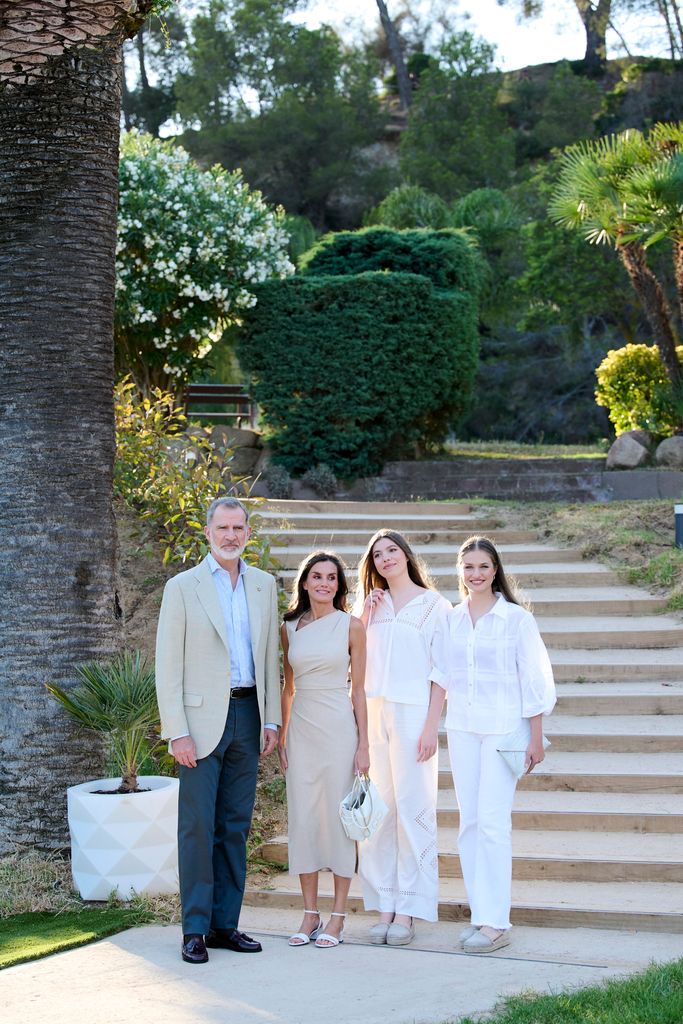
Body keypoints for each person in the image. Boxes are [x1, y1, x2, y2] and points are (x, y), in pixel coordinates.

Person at [155, 496, 281, 964]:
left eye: (238, 528)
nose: (231, 535)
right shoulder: (182, 587)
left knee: (234, 826)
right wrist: (177, 732)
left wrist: (271, 719)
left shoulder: (264, 585)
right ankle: (194, 929)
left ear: (249, 533)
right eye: (222, 528)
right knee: (196, 827)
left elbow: (269, 656)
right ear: (207, 532)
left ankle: (226, 925)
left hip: (249, 717)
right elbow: (168, 666)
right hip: (200, 721)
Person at [437, 535, 556, 954]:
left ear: (495, 570)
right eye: (468, 567)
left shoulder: (517, 620)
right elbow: (442, 675)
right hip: (463, 729)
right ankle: (480, 915)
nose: (475, 574)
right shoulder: (451, 618)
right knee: (469, 824)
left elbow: (534, 680)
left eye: (483, 566)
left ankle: (497, 923)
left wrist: (536, 738)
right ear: (461, 571)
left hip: (504, 730)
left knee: (492, 823)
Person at [355, 529, 450, 946]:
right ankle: (385, 904)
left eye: (392, 550)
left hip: (414, 715)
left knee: (413, 807)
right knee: (378, 812)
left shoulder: (435, 606)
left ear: (406, 555)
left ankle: (410, 908)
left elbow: (442, 672)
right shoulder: (370, 607)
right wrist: (363, 617)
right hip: (375, 714)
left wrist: (431, 727)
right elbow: (350, 661)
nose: (386, 558)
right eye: (378, 554)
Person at [279, 551, 369, 949]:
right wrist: (281, 737)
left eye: (332, 578)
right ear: (305, 581)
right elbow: (287, 686)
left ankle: (338, 915)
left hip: (338, 728)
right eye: (317, 576)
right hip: (301, 730)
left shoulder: (352, 626)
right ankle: (310, 913)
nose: (324, 584)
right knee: (304, 820)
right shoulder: (289, 628)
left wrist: (363, 743)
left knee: (338, 821)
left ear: (339, 585)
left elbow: (359, 689)